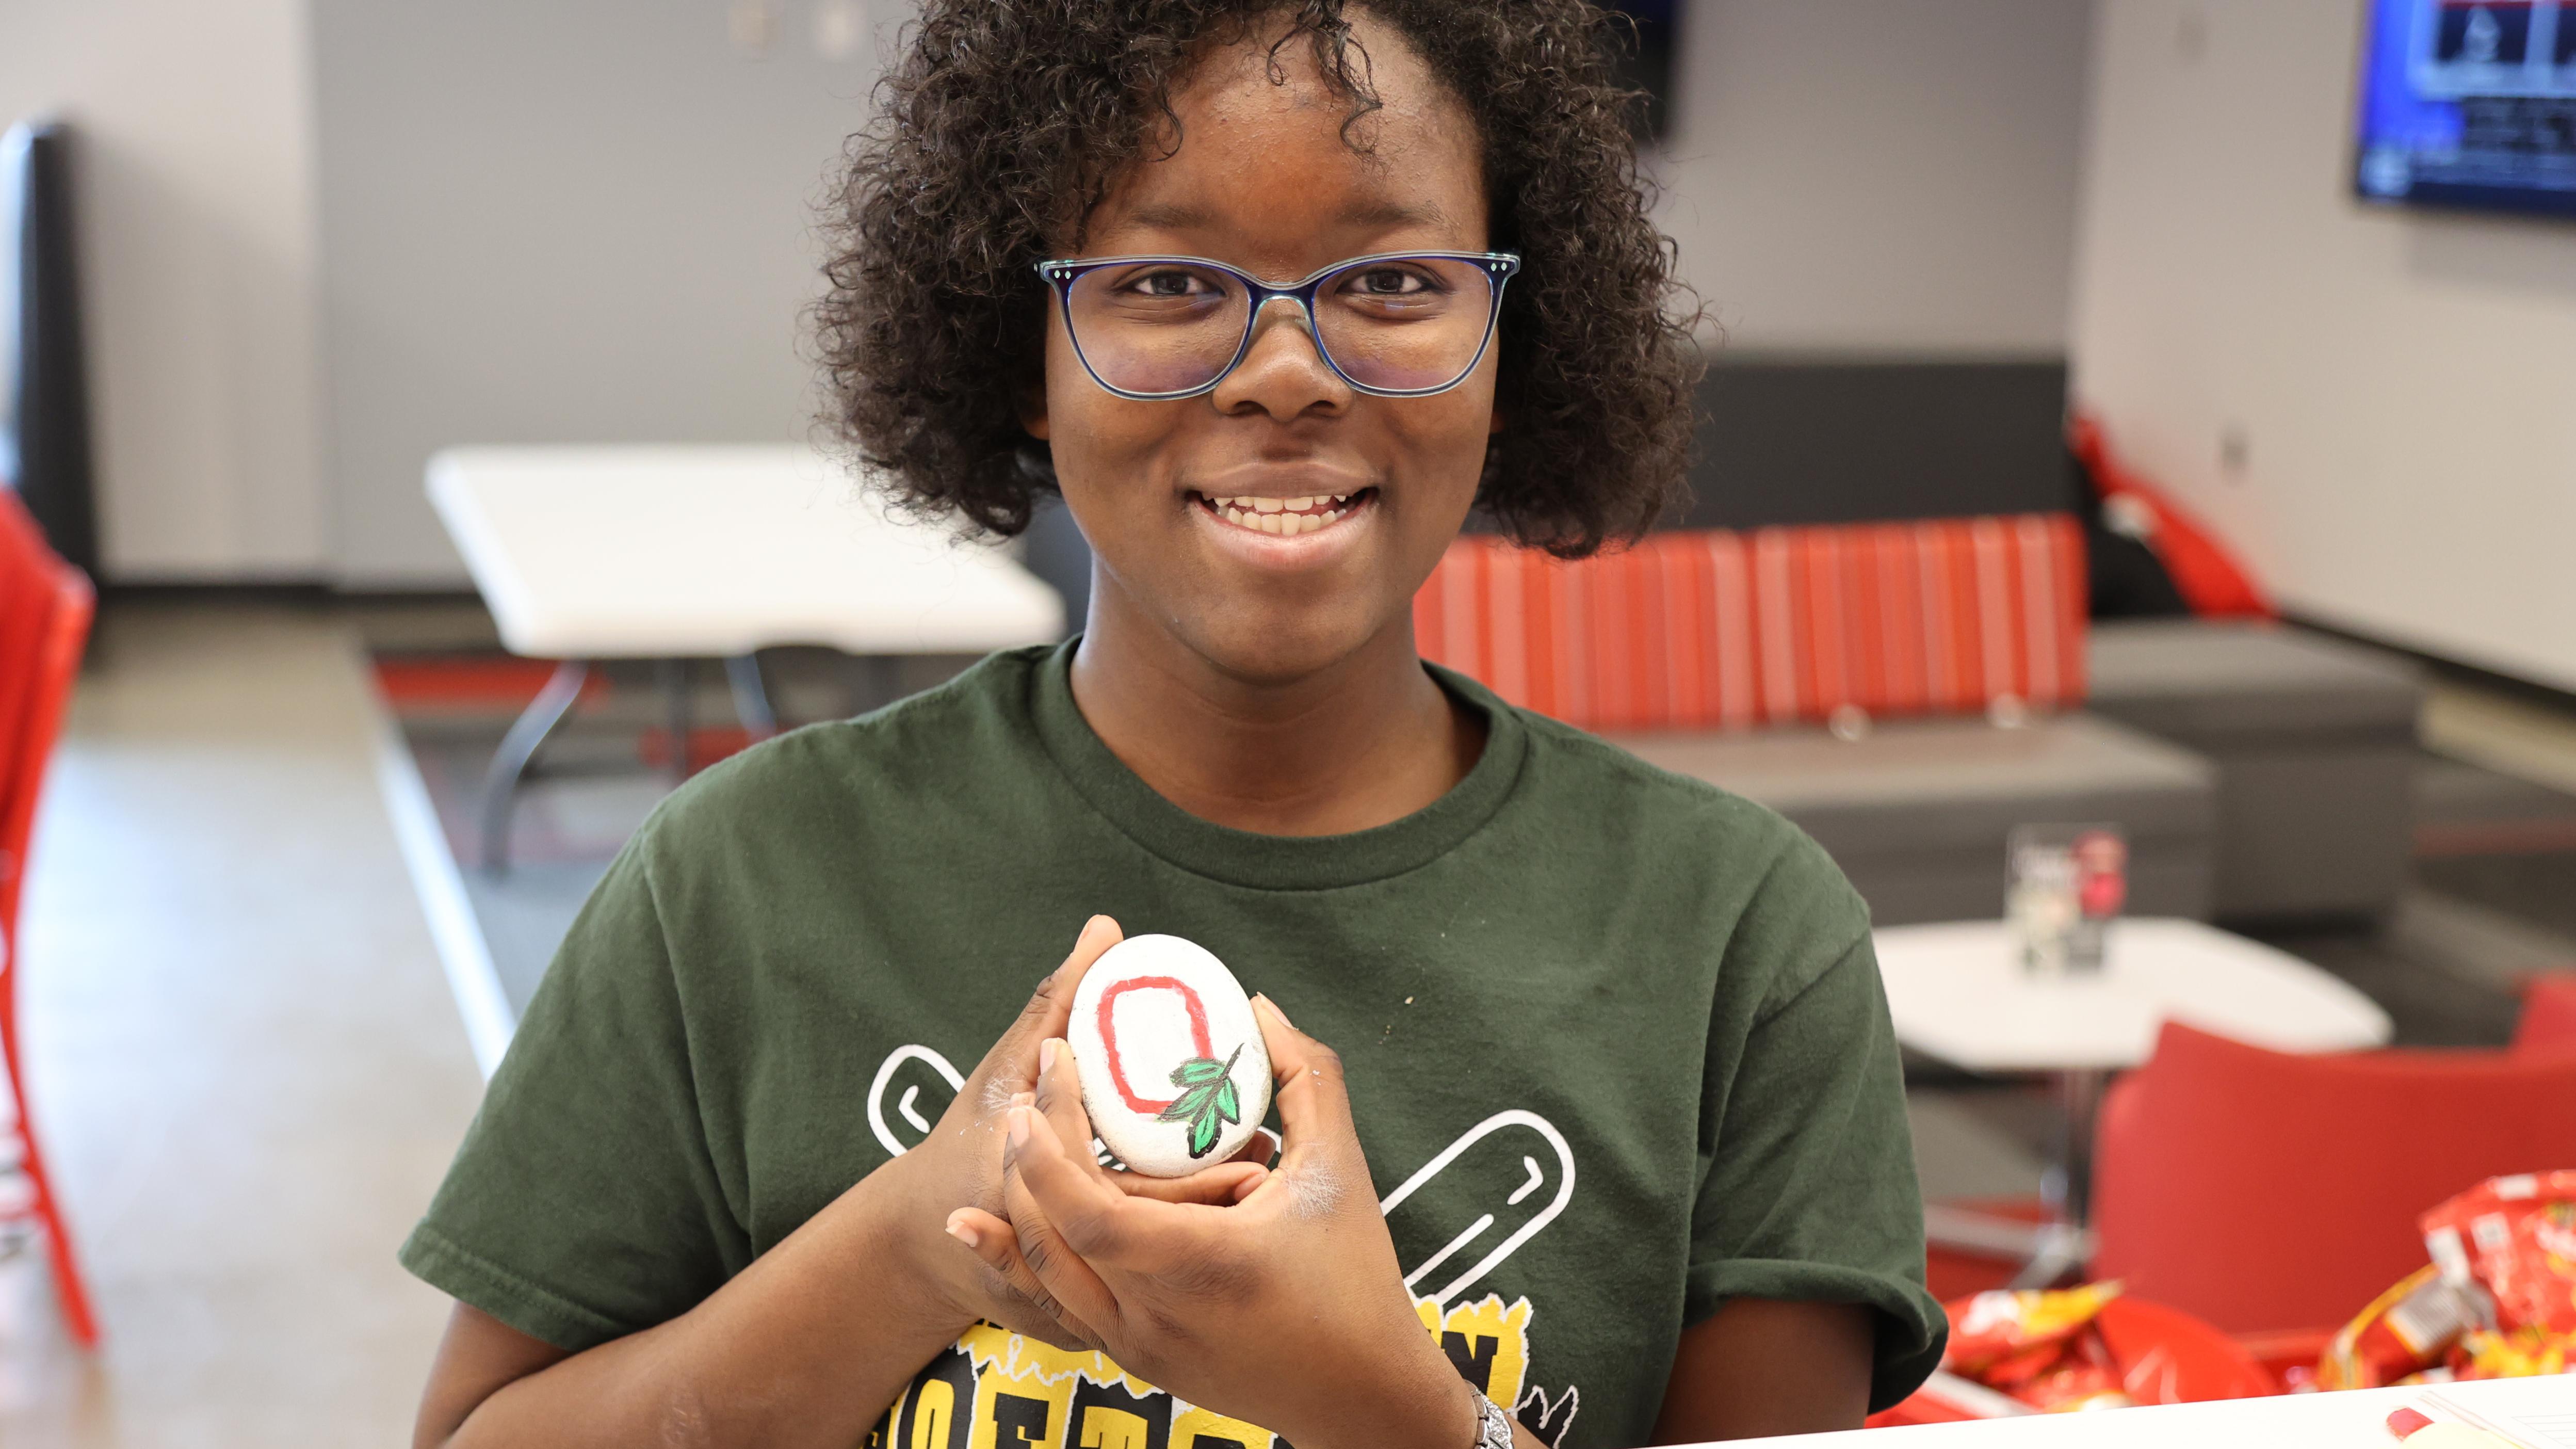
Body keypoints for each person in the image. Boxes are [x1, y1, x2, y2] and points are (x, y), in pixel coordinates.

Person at [401, 3, 1944, 1445]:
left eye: (1395, 284)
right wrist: (910, 1242)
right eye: (1164, 284)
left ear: (1508, 345)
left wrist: (1382, 1409)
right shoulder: (741, 881)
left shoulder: (1738, 942)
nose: (1284, 372)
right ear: (1026, 357)